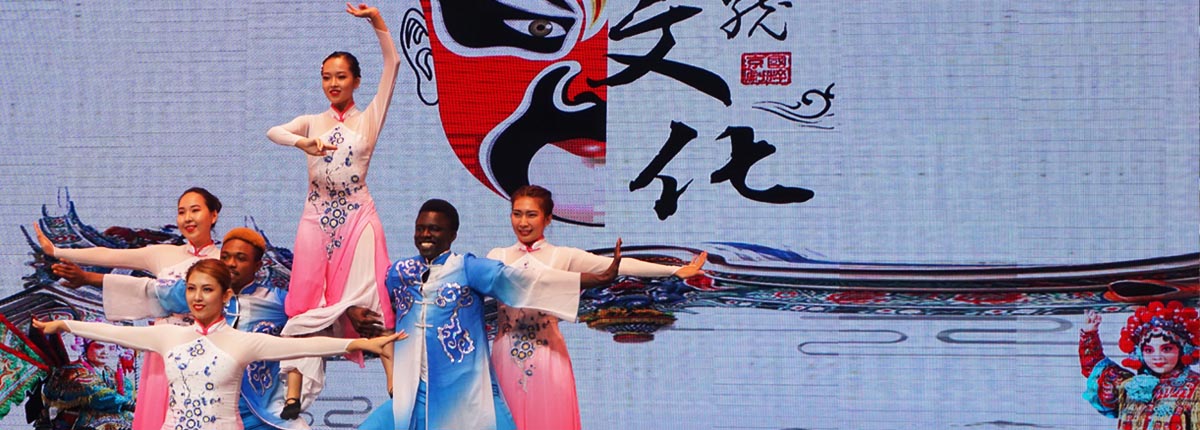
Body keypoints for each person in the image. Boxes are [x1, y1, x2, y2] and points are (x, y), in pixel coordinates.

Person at [33, 259, 407, 430]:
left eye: (207, 290)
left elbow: (306, 347)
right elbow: (114, 333)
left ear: (225, 295)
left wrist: (365, 343)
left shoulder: (242, 342)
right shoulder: (169, 335)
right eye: (192, 289)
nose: (197, 297)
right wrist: (64, 324)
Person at [358, 199, 622, 430]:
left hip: (464, 391)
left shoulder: (468, 268)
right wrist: (353, 311)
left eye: (434, 229)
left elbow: (529, 281)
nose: (425, 234)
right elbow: (371, 302)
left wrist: (595, 279)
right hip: (413, 393)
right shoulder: (401, 272)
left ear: (452, 235)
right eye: (420, 228)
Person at [266, 3, 400, 417]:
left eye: (341, 76)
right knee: (304, 304)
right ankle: (293, 394)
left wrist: (377, 22)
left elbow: (393, 64)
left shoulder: (368, 119)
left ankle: (396, 384)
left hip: (359, 219)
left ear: (356, 81)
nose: (333, 84)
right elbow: (273, 131)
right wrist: (302, 143)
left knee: (370, 300)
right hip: (316, 219)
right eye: (326, 77)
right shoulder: (311, 122)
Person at [486, 185, 706, 430]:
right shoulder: (498, 256)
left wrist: (675, 271)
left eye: (531, 215)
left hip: (547, 357)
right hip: (504, 357)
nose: (523, 222)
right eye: (517, 214)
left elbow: (618, 266)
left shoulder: (562, 256)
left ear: (548, 218)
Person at [56, 228, 309, 429]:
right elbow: (149, 290)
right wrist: (88, 278)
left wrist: (294, 394)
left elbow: (308, 329)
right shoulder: (203, 295)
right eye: (225, 257)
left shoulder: (278, 301)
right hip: (208, 403)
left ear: (258, 265)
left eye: (241, 258)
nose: (231, 264)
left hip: (261, 409)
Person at [35, 187, 223, 430]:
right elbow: (111, 255)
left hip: (205, 350)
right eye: (181, 212)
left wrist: (88, 277)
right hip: (162, 349)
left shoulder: (225, 260)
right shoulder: (164, 254)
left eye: (195, 210)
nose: (187, 218)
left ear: (213, 215)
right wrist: (57, 251)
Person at [1079, 301, 1200, 428]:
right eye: (1149, 350)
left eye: (1167, 349)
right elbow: (1097, 368)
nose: (1157, 357)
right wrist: (1090, 334)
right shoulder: (1131, 385)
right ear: (1140, 353)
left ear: (1183, 349)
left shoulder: (1196, 388)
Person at [42, 339, 135, 430]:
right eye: (99, 346)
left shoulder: (112, 374)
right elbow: (96, 394)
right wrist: (129, 403)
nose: (105, 352)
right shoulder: (72, 371)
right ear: (86, 347)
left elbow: (127, 390)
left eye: (111, 348)